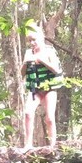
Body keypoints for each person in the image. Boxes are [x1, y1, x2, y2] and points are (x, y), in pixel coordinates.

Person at [20, 22, 63, 150]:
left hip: (49, 87)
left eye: (34, 40)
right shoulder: (29, 53)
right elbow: (22, 74)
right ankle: (28, 145)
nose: (32, 43)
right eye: (30, 41)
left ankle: (53, 145)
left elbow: (56, 70)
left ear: (41, 38)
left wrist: (43, 60)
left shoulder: (49, 51)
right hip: (35, 89)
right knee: (28, 113)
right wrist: (25, 63)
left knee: (49, 117)